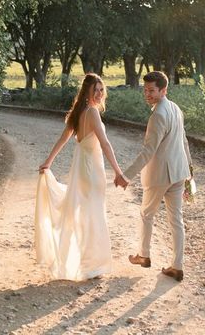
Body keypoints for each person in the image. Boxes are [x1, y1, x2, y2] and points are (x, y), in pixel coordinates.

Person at [35, 73, 125, 281]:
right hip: (91, 170)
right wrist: (119, 172)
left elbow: (63, 138)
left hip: (82, 168)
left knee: (86, 214)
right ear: (87, 92)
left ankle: (86, 262)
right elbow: (105, 144)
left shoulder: (79, 112)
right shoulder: (92, 112)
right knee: (93, 215)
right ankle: (92, 265)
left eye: (102, 89)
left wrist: (48, 161)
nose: (100, 93)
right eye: (96, 90)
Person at [115, 71, 193, 282]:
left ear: (163, 90)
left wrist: (126, 176)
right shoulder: (175, 109)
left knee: (146, 214)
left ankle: (144, 255)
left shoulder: (158, 115)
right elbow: (184, 142)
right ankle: (177, 266)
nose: (147, 94)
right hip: (178, 172)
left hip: (161, 176)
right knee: (176, 220)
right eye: (145, 89)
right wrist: (189, 170)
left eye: (151, 90)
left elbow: (148, 151)